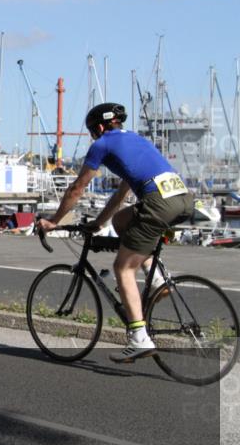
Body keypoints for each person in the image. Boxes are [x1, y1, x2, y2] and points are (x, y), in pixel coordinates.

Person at [37, 103, 194, 363]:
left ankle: (139, 339)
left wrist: (54, 221)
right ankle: (156, 279)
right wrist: (100, 222)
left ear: (99, 127)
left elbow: (77, 188)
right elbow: (121, 194)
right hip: (184, 199)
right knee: (121, 221)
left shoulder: (102, 144)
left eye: (92, 132)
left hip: (158, 203)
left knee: (122, 268)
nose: (93, 137)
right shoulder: (134, 139)